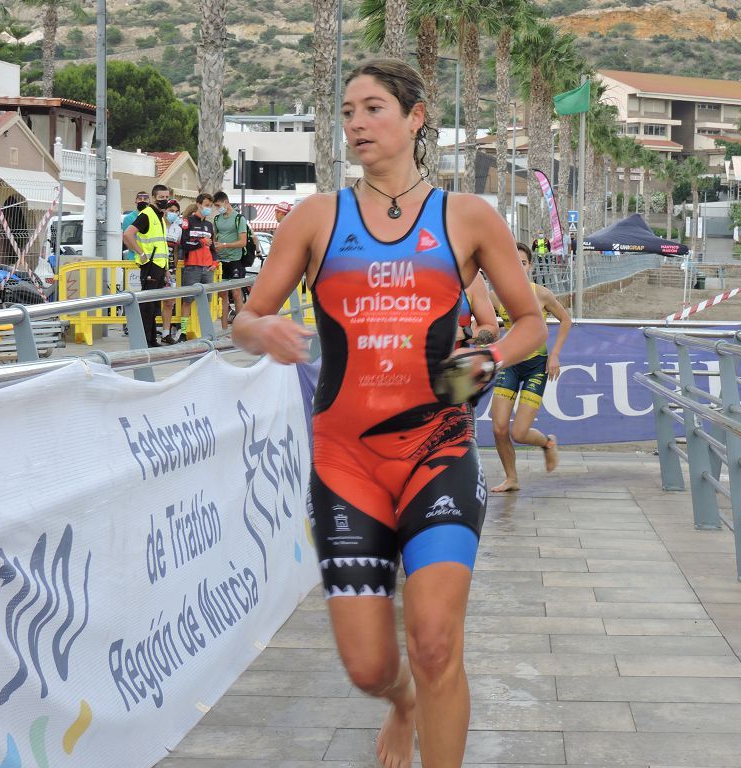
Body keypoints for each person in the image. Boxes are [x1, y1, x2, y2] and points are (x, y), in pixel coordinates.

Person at [232, 58, 545, 768]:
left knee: (435, 640)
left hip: (437, 452)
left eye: (372, 108)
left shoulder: (467, 216)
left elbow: (528, 323)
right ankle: (401, 703)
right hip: (347, 464)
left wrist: (472, 372)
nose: (356, 124)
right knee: (369, 666)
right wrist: (265, 332)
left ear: (414, 118)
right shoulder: (317, 217)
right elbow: (244, 319)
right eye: (347, 112)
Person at [488, 242, 572, 493]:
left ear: (530, 266)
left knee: (519, 432)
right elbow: (487, 323)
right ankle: (511, 478)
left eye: (523, 263)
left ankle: (547, 444)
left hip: (536, 366)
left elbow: (566, 320)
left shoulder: (542, 294)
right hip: (510, 364)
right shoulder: (495, 296)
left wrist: (554, 354)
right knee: (499, 427)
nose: (518, 267)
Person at [122, 184, 171, 347]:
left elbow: (162, 245)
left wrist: (166, 269)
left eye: (167, 197)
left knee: (154, 304)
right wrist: (140, 254)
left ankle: (151, 339)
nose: (165, 200)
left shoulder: (160, 217)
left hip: (159, 265)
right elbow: (128, 234)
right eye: (161, 197)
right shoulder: (147, 214)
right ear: (154, 197)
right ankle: (144, 341)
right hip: (150, 265)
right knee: (147, 305)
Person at [178, 194, 217, 339]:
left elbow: (212, 247)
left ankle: (205, 332)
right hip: (192, 267)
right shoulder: (187, 222)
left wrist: (215, 262)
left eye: (210, 206)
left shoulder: (209, 225)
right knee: (187, 301)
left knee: (206, 302)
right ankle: (182, 332)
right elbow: (185, 244)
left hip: (207, 268)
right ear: (198, 204)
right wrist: (201, 242)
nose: (208, 208)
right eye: (206, 205)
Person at [212, 190, 247, 330]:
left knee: (237, 293)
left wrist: (225, 245)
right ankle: (224, 329)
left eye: (218, 205)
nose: (217, 208)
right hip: (221, 260)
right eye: (215, 206)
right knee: (223, 295)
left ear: (226, 202)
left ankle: (240, 328)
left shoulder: (239, 218)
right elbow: (216, 237)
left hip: (235, 260)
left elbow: (243, 242)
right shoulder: (217, 219)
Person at [158, 199, 183, 344]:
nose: (172, 213)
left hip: (171, 269)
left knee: (169, 302)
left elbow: (176, 251)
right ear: (165, 211)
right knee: (152, 301)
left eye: (175, 211)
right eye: (170, 210)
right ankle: (146, 332)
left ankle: (166, 333)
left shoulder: (178, 229)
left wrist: (173, 268)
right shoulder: (157, 224)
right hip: (156, 267)